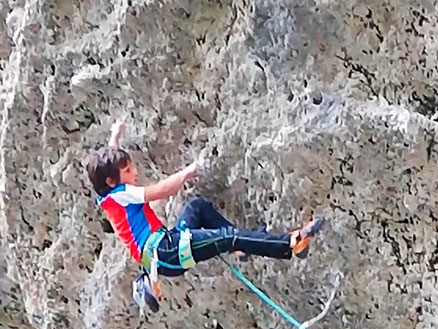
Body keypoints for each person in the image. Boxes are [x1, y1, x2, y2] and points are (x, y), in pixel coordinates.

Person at [86, 121, 325, 311]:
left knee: (196, 207)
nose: (135, 173)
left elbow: (112, 163)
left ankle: (242, 249)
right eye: (128, 171)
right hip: (167, 250)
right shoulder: (122, 194)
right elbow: (160, 191)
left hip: (164, 249)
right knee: (228, 237)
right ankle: (289, 244)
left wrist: (115, 137)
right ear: (112, 180)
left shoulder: (111, 196)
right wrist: (186, 173)